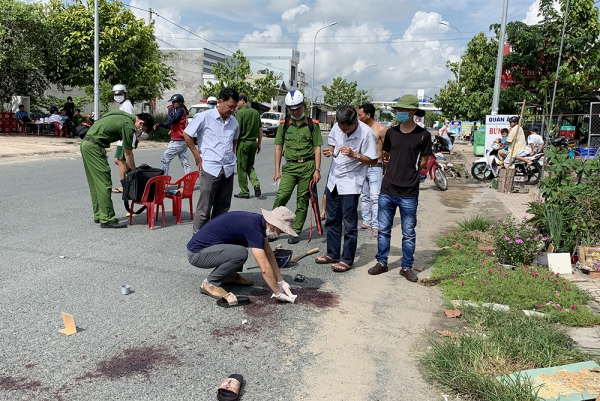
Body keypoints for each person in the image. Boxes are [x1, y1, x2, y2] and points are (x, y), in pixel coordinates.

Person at [367, 94, 432, 283]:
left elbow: (425, 161)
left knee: (408, 232)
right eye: (398, 110)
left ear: (412, 112)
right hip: (388, 189)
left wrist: (411, 174)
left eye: (402, 110)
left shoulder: (423, 135)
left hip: (409, 192)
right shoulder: (392, 133)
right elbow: (386, 155)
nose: (399, 113)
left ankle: (406, 267)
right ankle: (382, 262)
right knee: (384, 229)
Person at [187, 206, 298, 303]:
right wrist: (277, 293)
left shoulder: (259, 221)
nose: (280, 234)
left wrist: (280, 281)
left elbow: (268, 253)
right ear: (274, 224)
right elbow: (264, 268)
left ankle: (229, 275)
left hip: (210, 249)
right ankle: (210, 283)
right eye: (281, 230)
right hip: (197, 254)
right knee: (240, 253)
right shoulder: (254, 230)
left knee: (238, 248)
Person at [316, 106, 378, 272]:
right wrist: (331, 151)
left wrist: (354, 155)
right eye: (341, 128)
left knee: (349, 223)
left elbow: (373, 160)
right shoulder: (338, 127)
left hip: (352, 181)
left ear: (355, 122)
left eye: (347, 129)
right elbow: (333, 145)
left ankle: (346, 259)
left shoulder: (366, 133)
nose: (344, 131)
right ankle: (332, 253)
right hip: (335, 179)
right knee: (332, 219)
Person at [80, 110, 154, 228]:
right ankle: (107, 218)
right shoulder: (128, 125)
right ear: (141, 122)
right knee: (104, 183)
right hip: (94, 148)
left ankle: (99, 214)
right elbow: (128, 153)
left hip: (86, 144)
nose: (139, 131)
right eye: (141, 129)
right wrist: (135, 171)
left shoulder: (120, 114)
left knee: (95, 184)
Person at [184, 87, 240, 233]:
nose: (232, 110)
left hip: (227, 169)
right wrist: (197, 156)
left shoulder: (234, 122)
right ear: (220, 102)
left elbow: (234, 141)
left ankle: (216, 236)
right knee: (205, 207)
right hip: (210, 168)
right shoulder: (204, 117)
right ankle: (198, 238)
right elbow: (187, 134)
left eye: (234, 107)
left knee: (223, 206)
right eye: (230, 106)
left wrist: (231, 157)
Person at [273, 90, 323, 244]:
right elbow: (278, 148)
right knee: (282, 195)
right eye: (292, 109)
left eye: (298, 108)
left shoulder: (312, 125)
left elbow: (317, 148)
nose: (295, 112)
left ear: (304, 106)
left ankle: (295, 231)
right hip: (290, 167)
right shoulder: (284, 125)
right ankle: (273, 226)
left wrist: (317, 170)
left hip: (307, 166)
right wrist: (277, 170)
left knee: (302, 200)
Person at [357, 103, 387, 237]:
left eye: (360, 114)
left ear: (368, 115)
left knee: (375, 197)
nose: (358, 117)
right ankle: (366, 222)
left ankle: (376, 224)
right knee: (364, 196)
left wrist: (385, 163)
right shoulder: (360, 129)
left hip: (376, 167)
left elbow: (388, 149)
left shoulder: (381, 129)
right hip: (363, 166)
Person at [154, 94, 192, 176]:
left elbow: (172, 120)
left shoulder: (181, 111)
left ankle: (164, 182)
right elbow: (170, 124)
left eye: (174, 102)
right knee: (185, 162)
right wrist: (159, 124)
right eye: (172, 102)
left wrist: (170, 110)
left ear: (180, 102)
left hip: (178, 141)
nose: (172, 104)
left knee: (164, 159)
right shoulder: (180, 111)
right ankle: (189, 181)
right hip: (182, 141)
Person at [233, 93, 262, 199]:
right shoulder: (255, 112)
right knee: (250, 166)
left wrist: (234, 145)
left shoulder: (240, 113)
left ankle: (244, 191)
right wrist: (259, 143)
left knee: (241, 167)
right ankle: (256, 183)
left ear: (242, 101)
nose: (236, 104)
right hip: (253, 142)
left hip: (243, 143)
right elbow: (260, 129)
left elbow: (238, 131)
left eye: (237, 102)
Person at [111, 84, 135, 194]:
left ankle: (124, 185)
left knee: (120, 160)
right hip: (122, 136)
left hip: (125, 136)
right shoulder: (124, 105)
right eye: (116, 94)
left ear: (125, 94)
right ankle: (132, 179)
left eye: (120, 94)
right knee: (119, 160)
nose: (117, 96)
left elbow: (129, 122)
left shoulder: (126, 105)